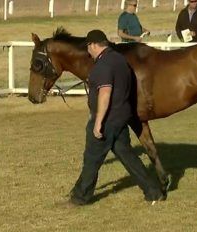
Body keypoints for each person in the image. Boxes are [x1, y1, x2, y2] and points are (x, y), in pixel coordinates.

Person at [68, 29, 164, 206]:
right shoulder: (120, 59)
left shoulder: (103, 65)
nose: (87, 51)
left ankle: (80, 197)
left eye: (88, 47)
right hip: (121, 116)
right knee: (128, 157)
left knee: (92, 158)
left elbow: (105, 93)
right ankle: (154, 191)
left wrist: (98, 123)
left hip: (107, 119)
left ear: (93, 45)